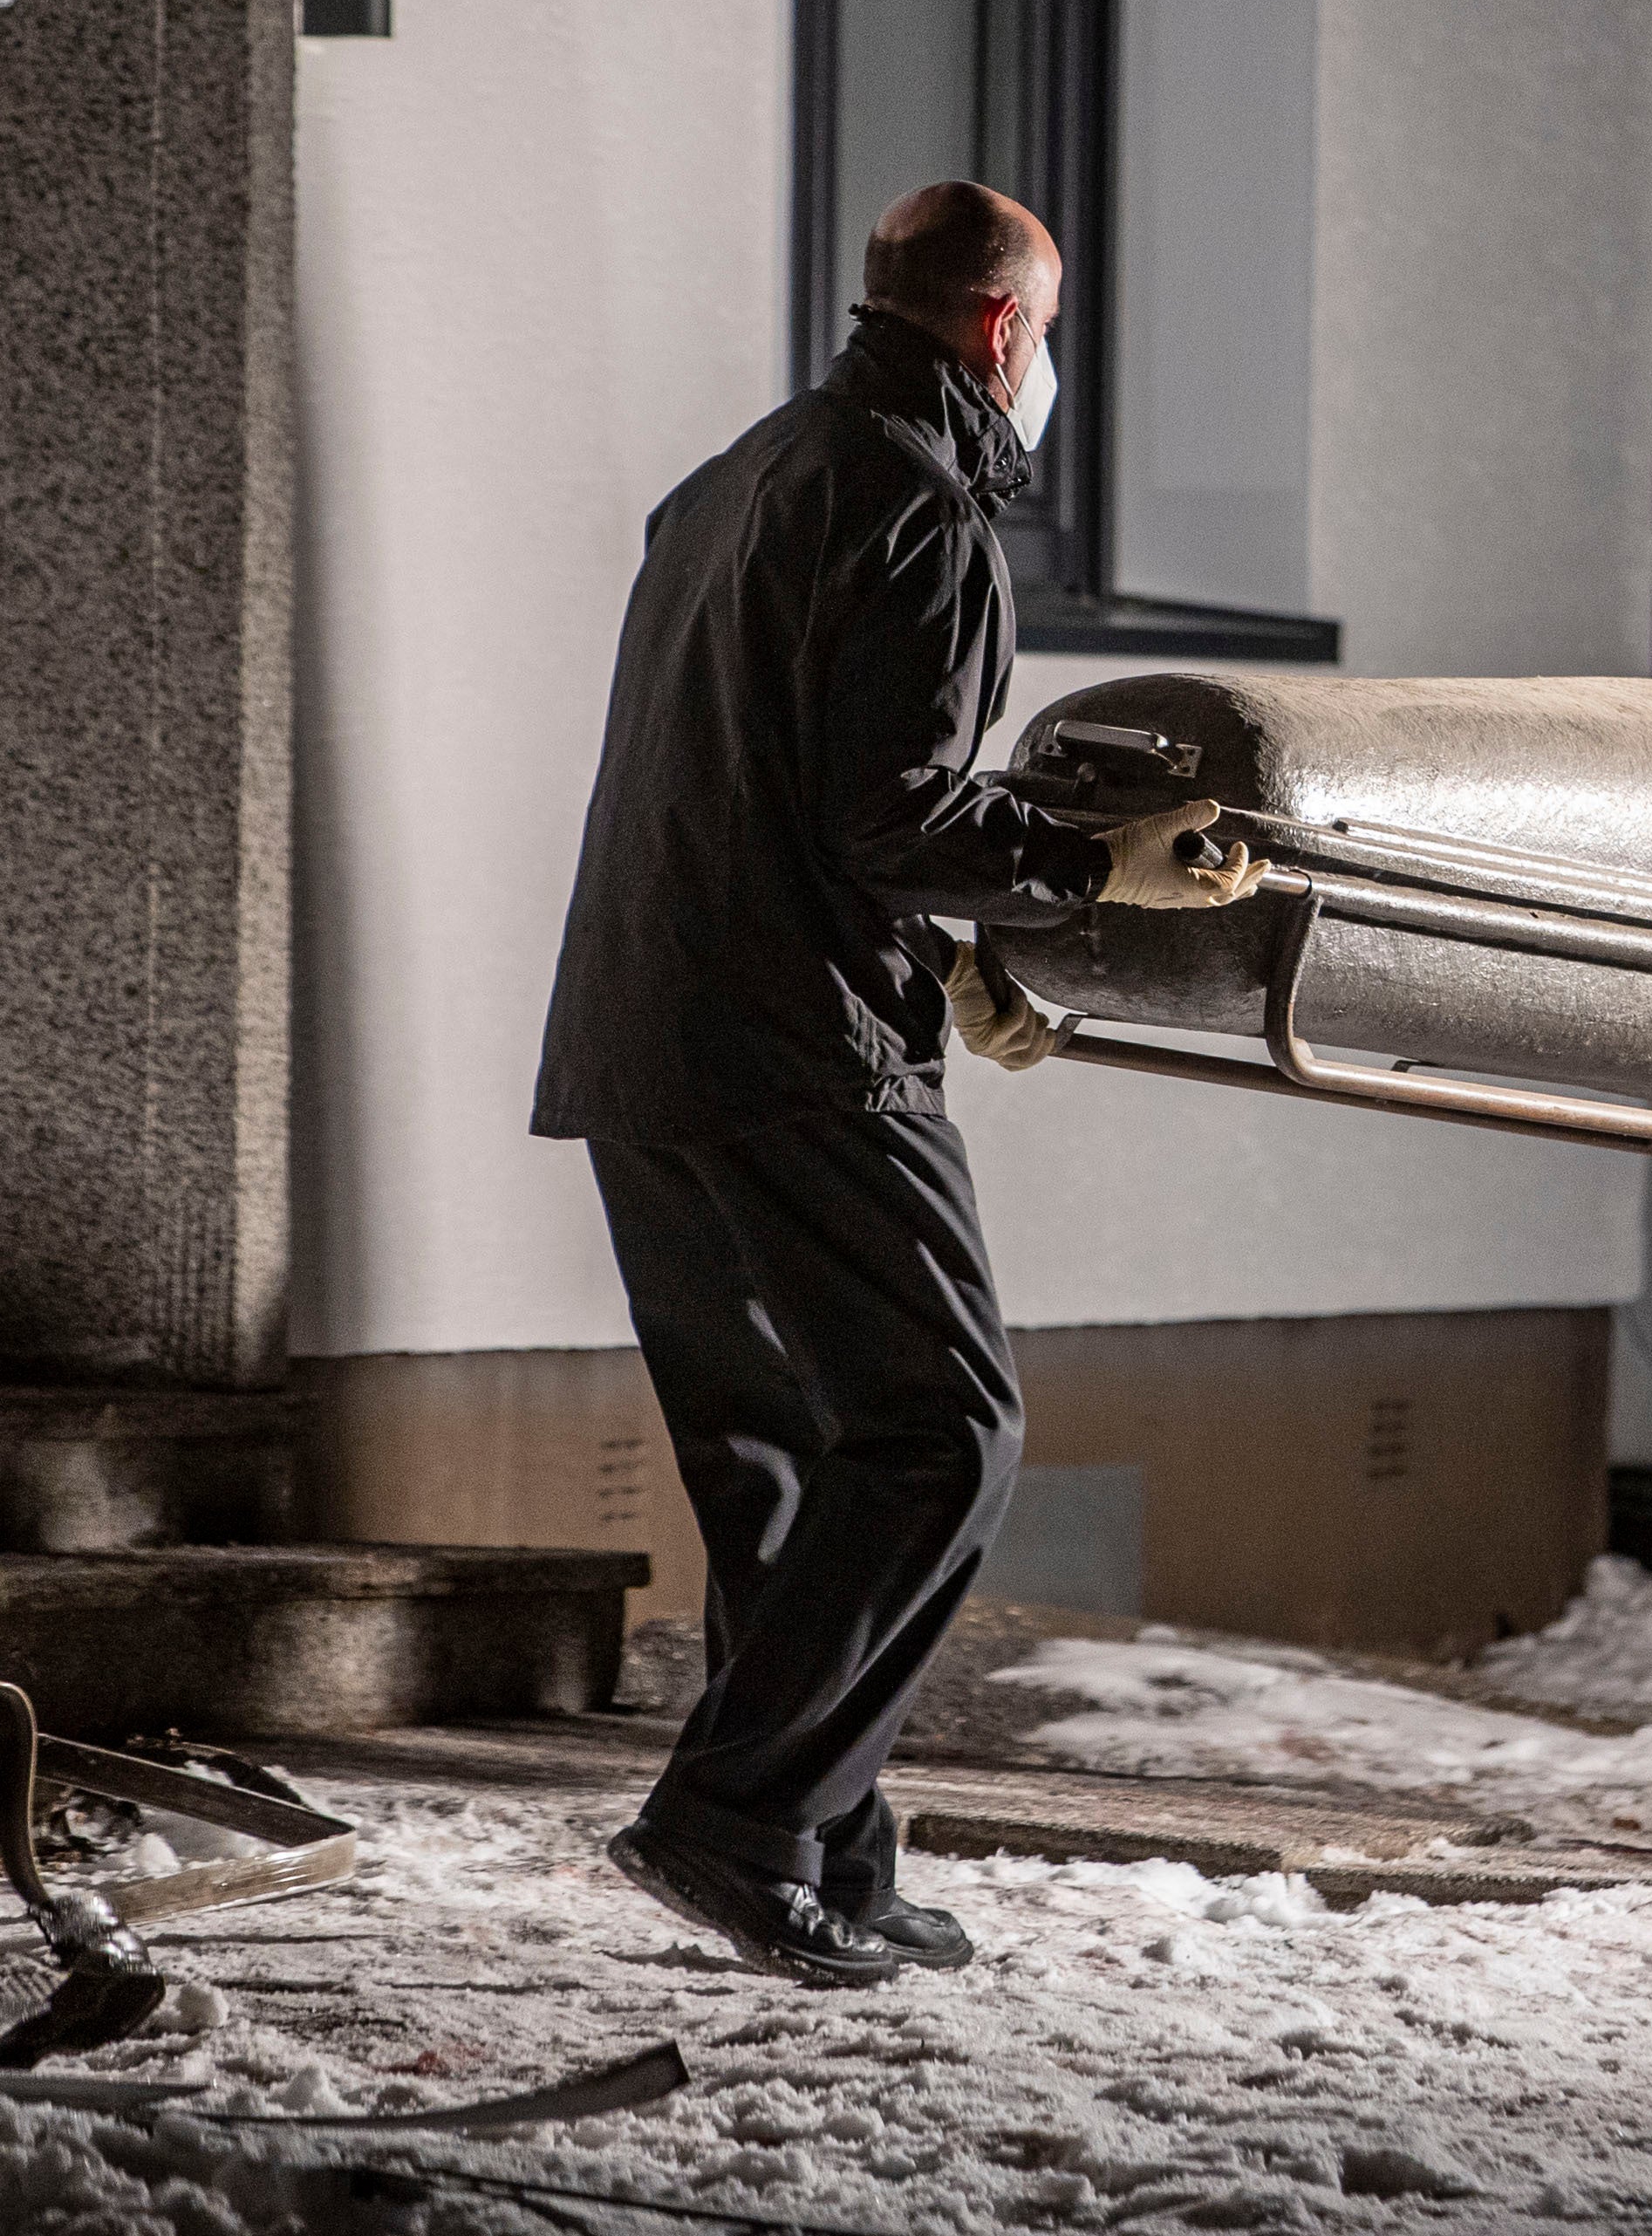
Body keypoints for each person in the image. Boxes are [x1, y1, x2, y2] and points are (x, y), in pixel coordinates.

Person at [531, 181, 1262, 1984]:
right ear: (1004, 329)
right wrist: (1101, 877)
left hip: (643, 1041)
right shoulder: (918, 509)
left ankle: (829, 1859)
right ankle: (736, 1820)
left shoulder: (737, 481)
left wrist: (946, 955)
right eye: (1053, 334)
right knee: (945, 1433)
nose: (1050, 368)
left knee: (786, 1464)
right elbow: (897, 811)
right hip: (797, 1055)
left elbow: (763, 787)